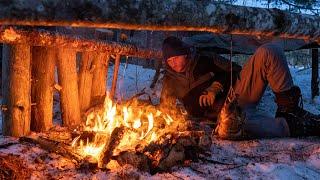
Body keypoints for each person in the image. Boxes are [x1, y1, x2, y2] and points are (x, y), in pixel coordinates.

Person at [160, 36, 320, 138]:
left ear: (185, 53)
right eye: (169, 60)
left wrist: (216, 86)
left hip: (237, 97)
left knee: (269, 51)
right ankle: (295, 126)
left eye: (176, 57)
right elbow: (164, 107)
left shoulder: (205, 59)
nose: (173, 63)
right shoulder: (169, 80)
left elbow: (235, 69)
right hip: (218, 121)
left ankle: (289, 110)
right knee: (235, 128)